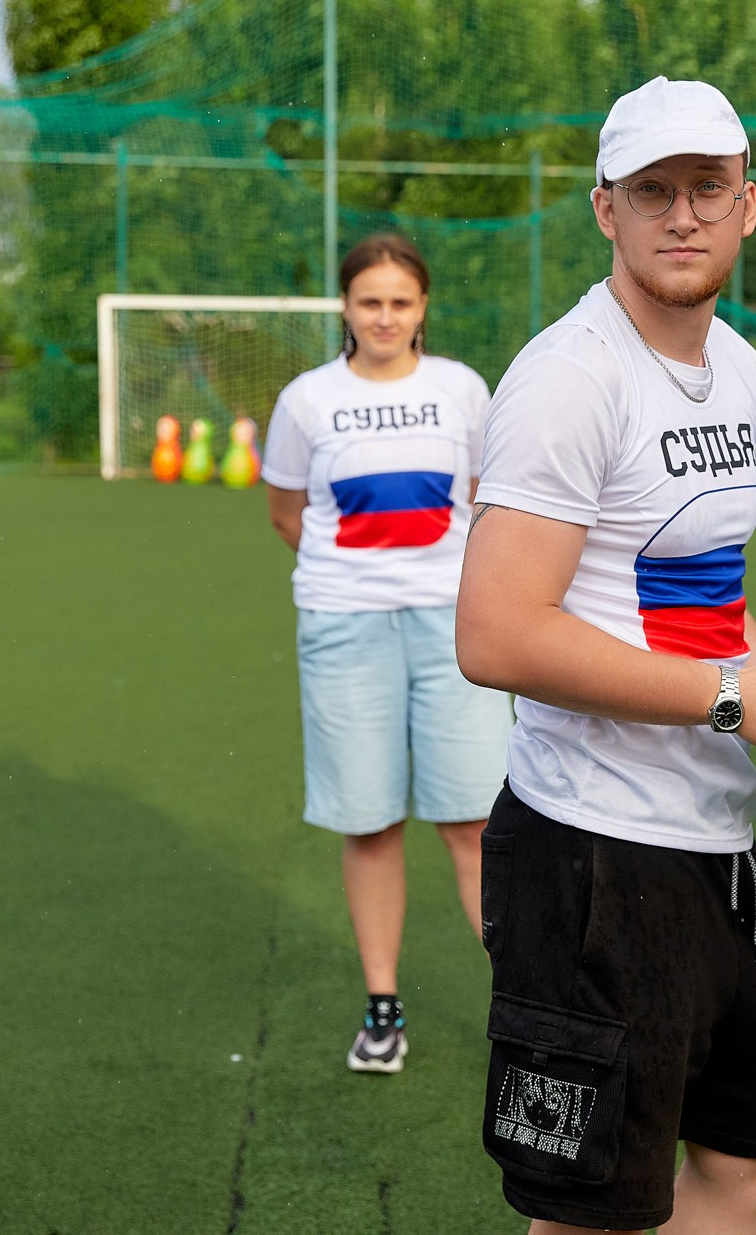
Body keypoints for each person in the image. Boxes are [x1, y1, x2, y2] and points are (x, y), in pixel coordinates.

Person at [456, 77, 756, 1235]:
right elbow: (495, 634)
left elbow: (699, 588)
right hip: (592, 852)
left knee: (744, 1154)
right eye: (653, 191)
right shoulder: (568, 379)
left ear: (749, 205)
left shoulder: (736, 370)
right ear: (607, 210)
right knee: (594, 1210)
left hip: (714, 840)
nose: (681, 215)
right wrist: (738, 697)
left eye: (706, 187)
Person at [262, 232, 511, 1073]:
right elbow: (288, 512)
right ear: (345, 306)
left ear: (423, 308)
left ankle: (524, 1008)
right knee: (369, 823)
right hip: (345, 626)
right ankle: (382, 1010)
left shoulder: (462, 390)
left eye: (401, 302)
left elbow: (483, 504)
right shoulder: (306, 399)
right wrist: (361, 580)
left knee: (475, 823)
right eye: (369, 301)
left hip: (454, 627)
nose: (385, 317)